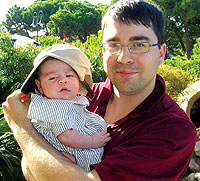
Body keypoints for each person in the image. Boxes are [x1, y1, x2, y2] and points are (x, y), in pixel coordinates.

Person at [3, 0, 197, 180]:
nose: (124, 57)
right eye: (113, 45)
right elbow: (30, 168)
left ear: (161, 53)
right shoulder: (82, 97)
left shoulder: (172, 130)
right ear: (103, 51)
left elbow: (37, 161)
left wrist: (22, 128)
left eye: (139, 44)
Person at [20, 44, 110, 171]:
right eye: (53, 77)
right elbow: (66, 136)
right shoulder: (53, 107)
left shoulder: (68, 102)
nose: (63, 81)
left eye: (69, 76)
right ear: (39, 86)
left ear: (79, 80)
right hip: (70, 152)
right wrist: (92, 141)